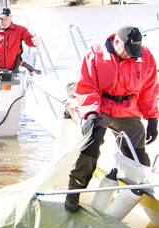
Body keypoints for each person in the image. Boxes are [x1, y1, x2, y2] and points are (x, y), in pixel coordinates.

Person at [65, 26, 159, 212]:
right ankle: (74, 192)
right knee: (92, 141)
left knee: (137, 149)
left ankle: (144, 188)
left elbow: (149, 89)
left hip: (127, 108)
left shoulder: (144, 56)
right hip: (101, 106)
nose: (132, 56)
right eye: (128, 51)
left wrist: (152, 118)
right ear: (117, 42)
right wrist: (91, 113)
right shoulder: (95, 54)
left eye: (135, 52)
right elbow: (86, 86)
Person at [0, 8, 38, 78]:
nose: (3, 21)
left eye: (5, 18)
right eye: (1, 19)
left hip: (14, 71)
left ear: (10, 17)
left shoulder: (20, 30)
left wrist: (33, 41)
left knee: (14, 87)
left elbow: (28, 39)